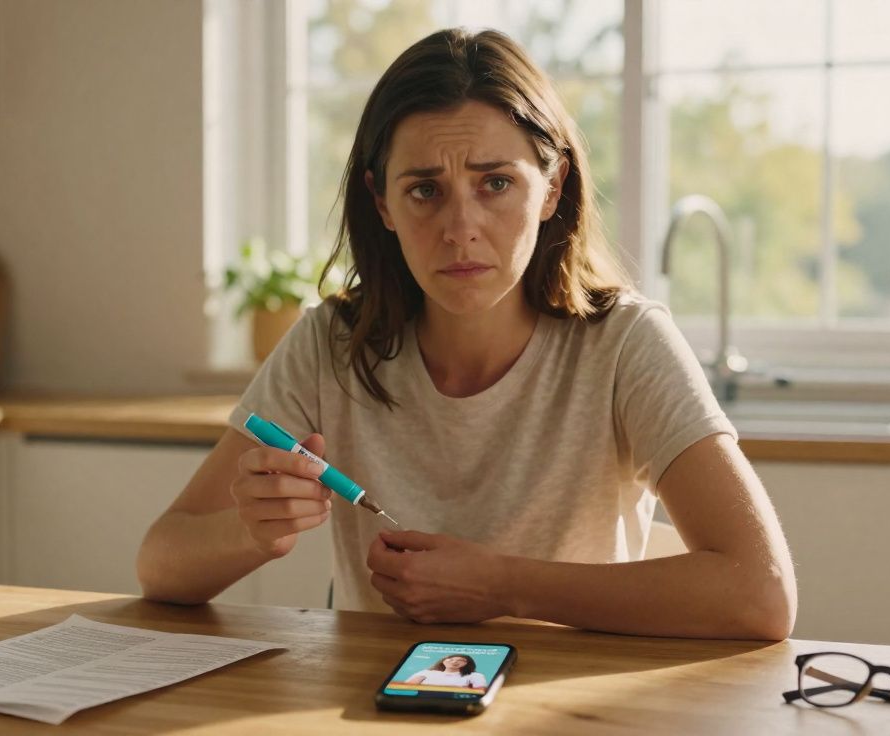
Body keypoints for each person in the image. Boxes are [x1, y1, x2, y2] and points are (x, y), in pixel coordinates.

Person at [137, 27, 797, 640]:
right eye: (425, 190)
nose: (460, 228)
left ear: (552, 186)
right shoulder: (329, 345)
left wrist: (504, 586)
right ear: (381, 203)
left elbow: (761, 594)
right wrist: (254, 533)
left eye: (496, 183)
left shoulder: (624, 343)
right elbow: (160, 564)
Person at [404, 655, 486, 690]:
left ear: (467, 664)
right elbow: (407, 687)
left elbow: (479, 691)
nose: (454, 662)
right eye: (451, 659)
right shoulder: (427, 673)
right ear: (443, 661)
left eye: (461, 660)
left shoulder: (475, 675)